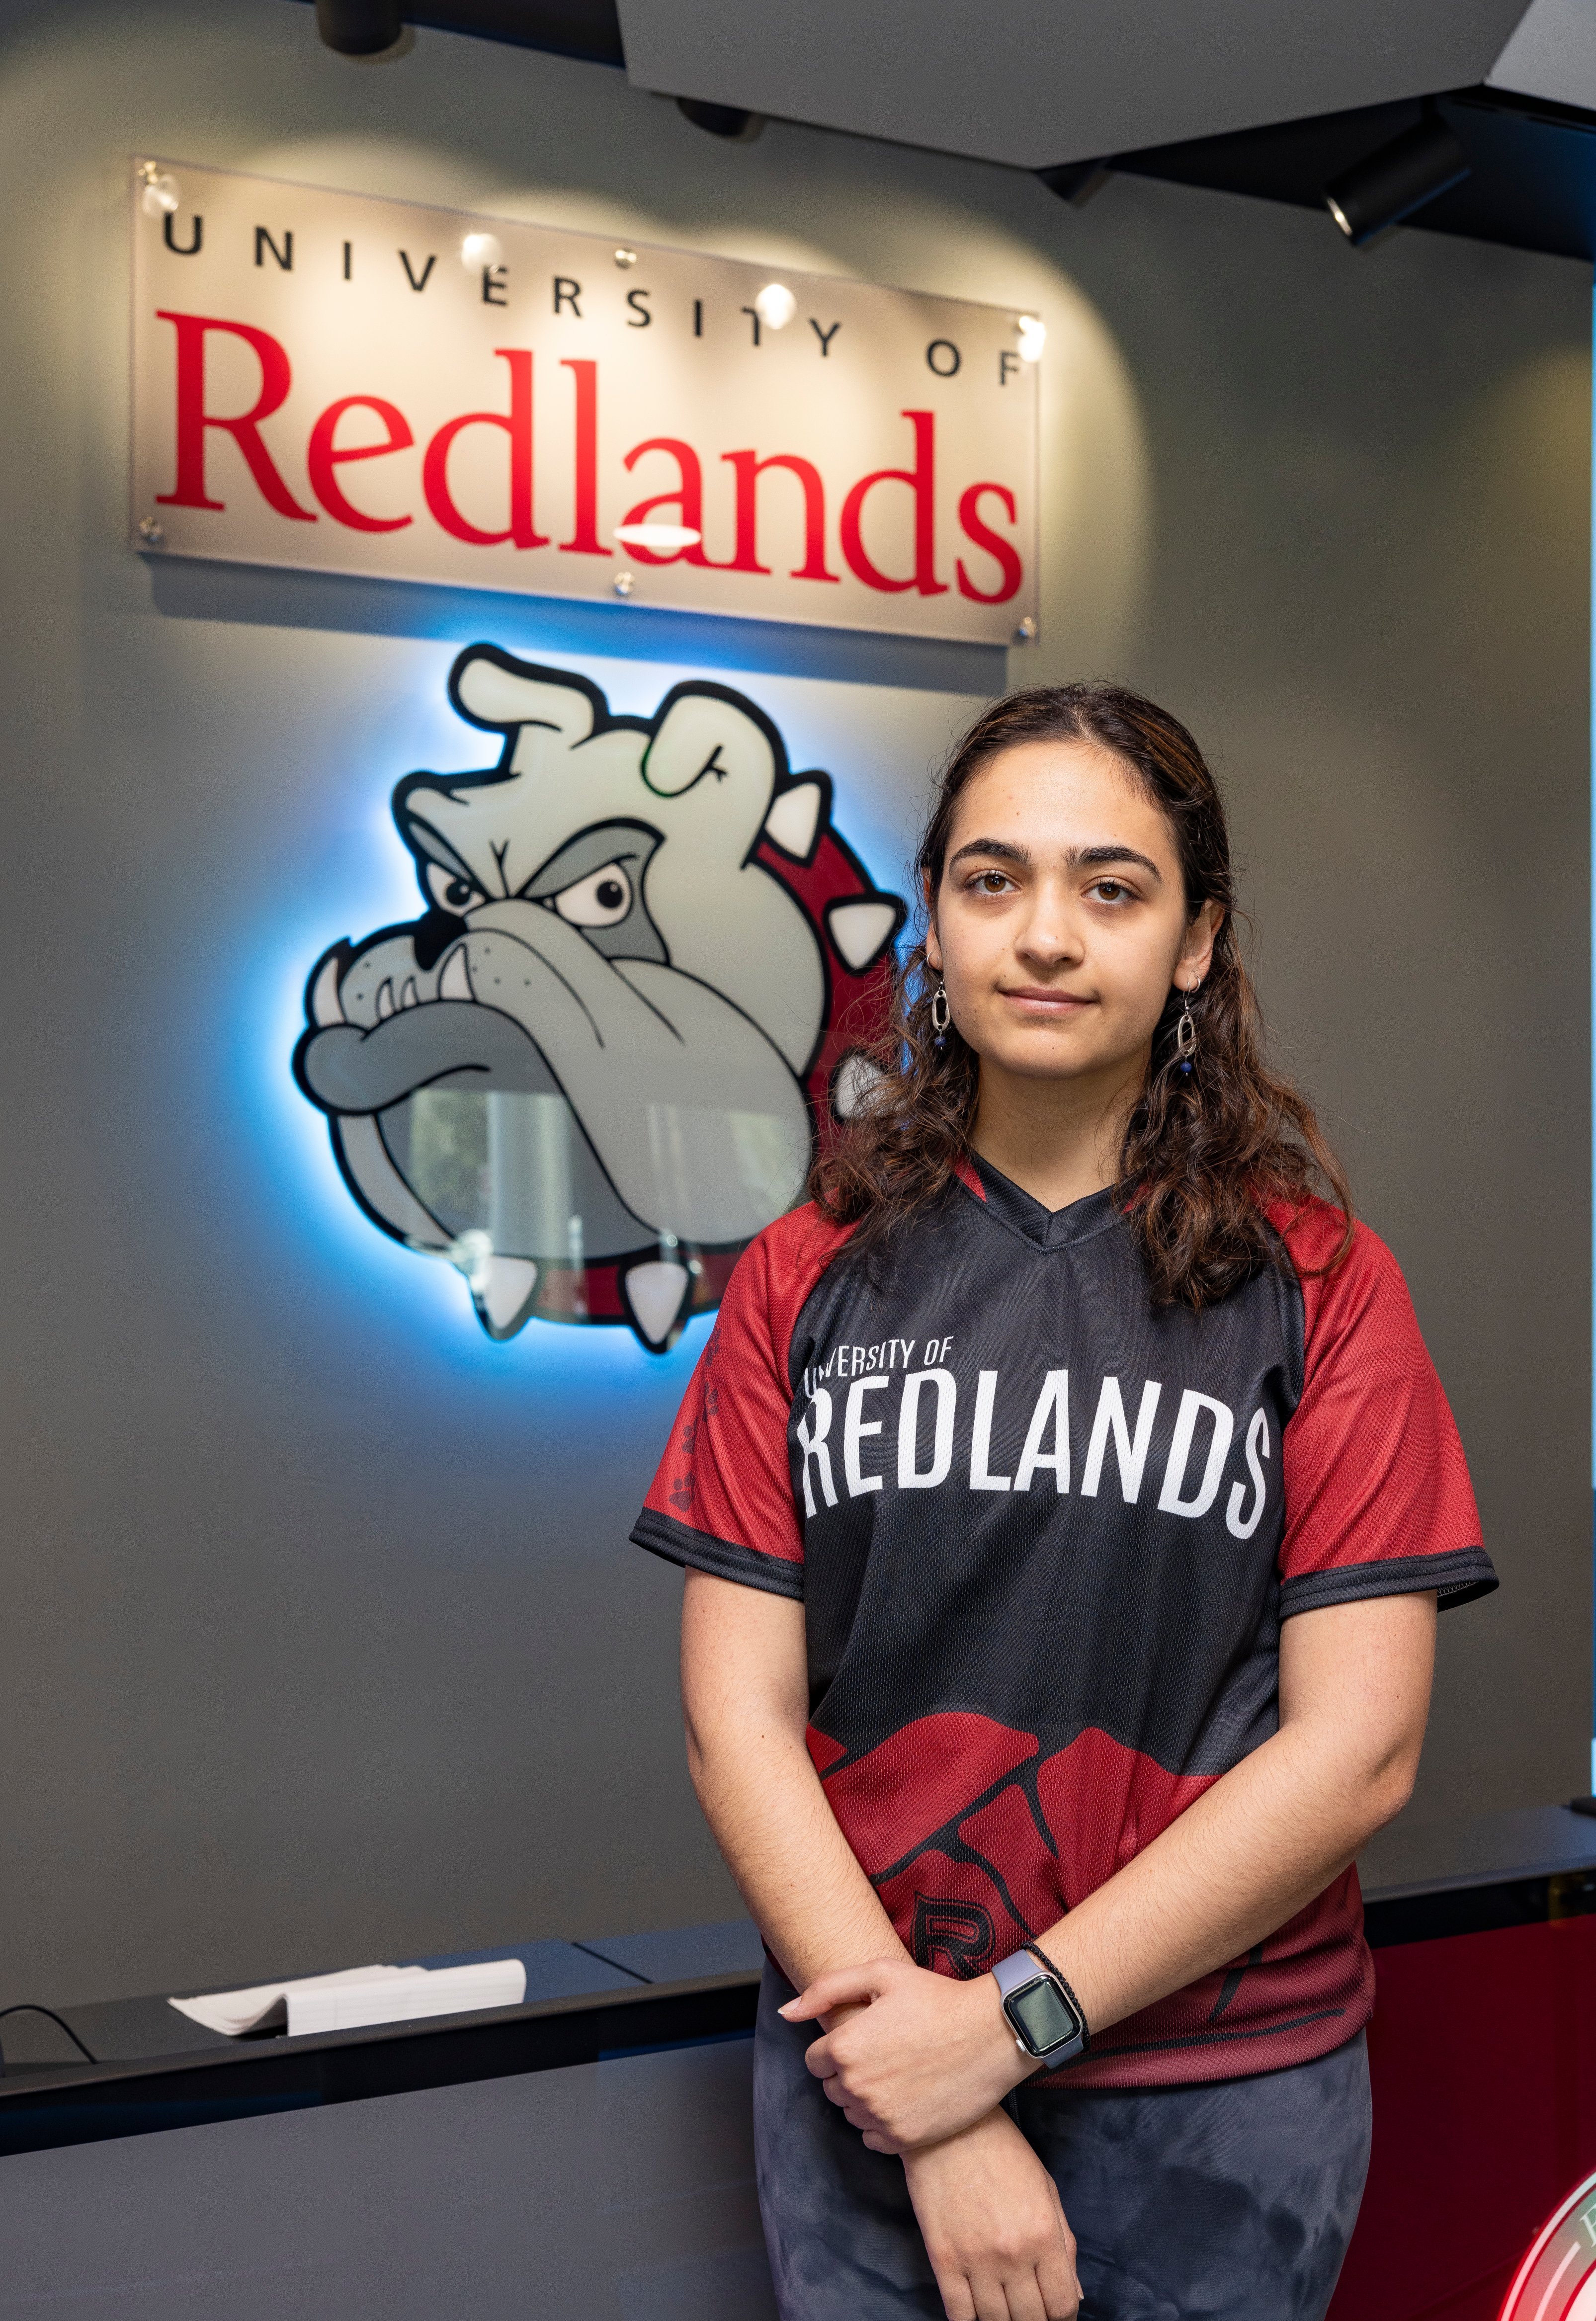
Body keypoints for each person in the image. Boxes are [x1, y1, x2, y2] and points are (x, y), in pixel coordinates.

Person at [631, 683, 1495, 2321]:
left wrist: (1006, 2030)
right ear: (932, 931)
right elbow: (731, 1718)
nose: (1043, 933)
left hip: (1220, 2097)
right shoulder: (804, 1273)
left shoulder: (1320, 1284)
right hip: (868, 2074)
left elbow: (1357, 1749)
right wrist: (930, 2088)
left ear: (1191, 943)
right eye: (990, 880)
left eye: (1110, 887)